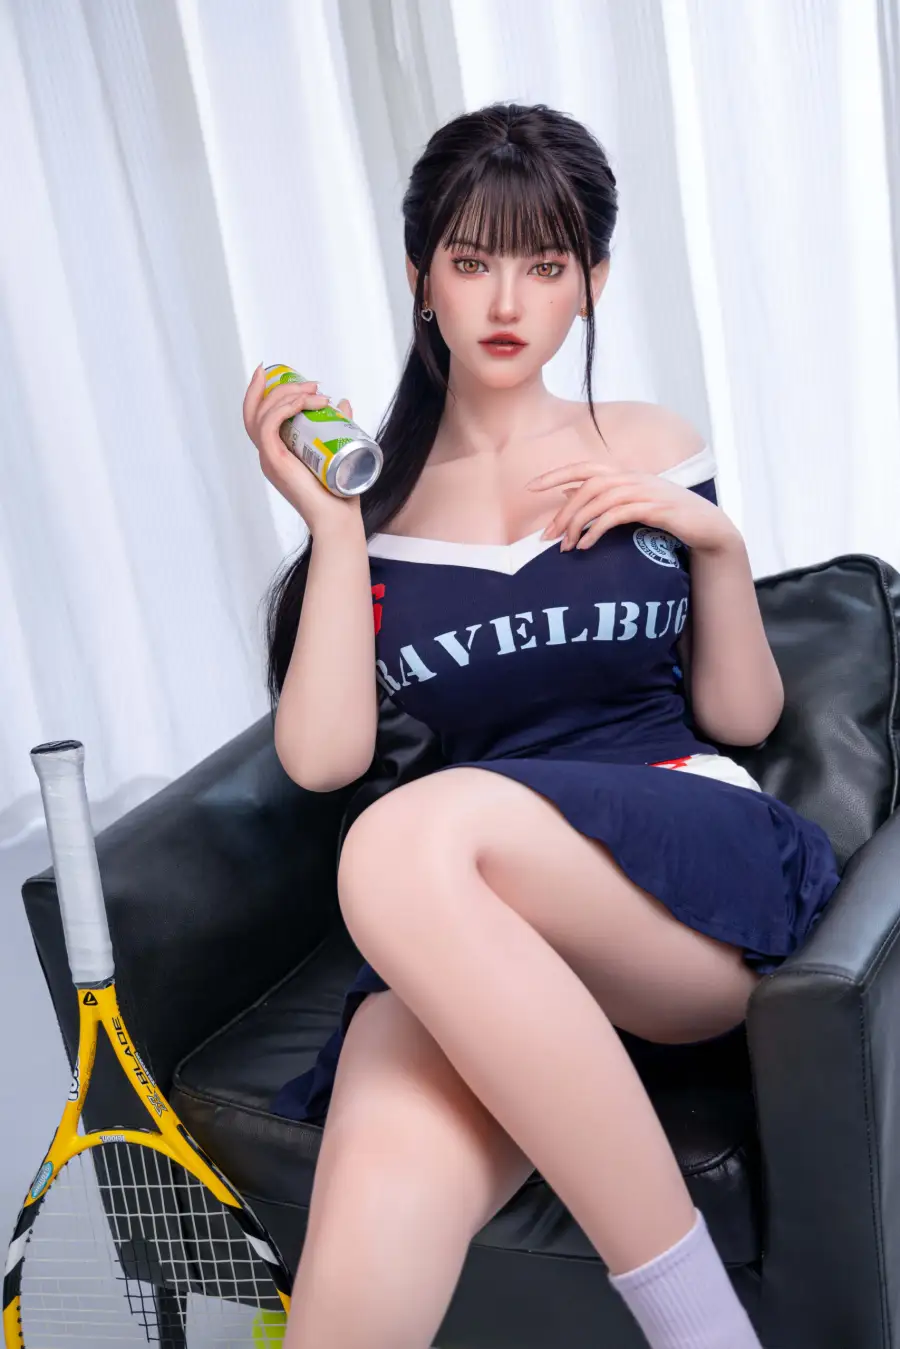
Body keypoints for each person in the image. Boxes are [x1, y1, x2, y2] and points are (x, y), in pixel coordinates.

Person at [243, 101, 841, 1349]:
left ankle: (702, 1328)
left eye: (546, 265)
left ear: (593, 282)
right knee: (361, 1252)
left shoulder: (647, 445)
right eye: (471, 262)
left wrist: (712, 539)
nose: (507, 301)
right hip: (470, 920)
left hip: (680, 880)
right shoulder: (378, 510)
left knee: (404, 836)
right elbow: (322, 757)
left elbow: (742, 713)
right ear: (421, 279)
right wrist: (336, 527)